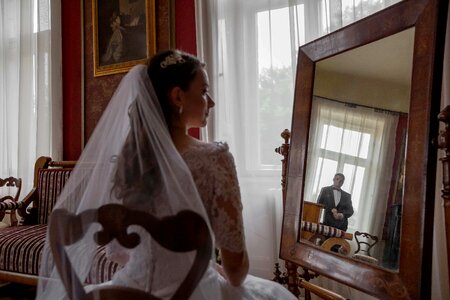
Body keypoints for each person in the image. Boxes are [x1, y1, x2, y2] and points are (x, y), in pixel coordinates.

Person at [37, 49, 296, 299]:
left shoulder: (128, 162)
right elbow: (237, 272)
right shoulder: (215, 160)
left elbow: (118, 253)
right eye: (204, 91)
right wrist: (203, 266)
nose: (212, 102)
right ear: (178, 97)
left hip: (126, 294)